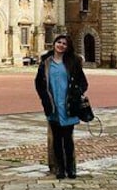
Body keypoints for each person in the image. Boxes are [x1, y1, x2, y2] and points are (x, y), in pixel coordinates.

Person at [34, 34, 88, 180]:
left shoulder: (73, 62)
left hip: (68, 105)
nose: (61, 45)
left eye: (64, 43)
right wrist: (44, 99)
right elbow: (39, 83)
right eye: (59, 42)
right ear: (54, 44)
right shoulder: (46, 62)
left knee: (68, 139)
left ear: (68, 46)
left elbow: (83, 83)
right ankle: (60, 169)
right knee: (57, 139)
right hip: (53, 106)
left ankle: (71, 169)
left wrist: (76, 93)